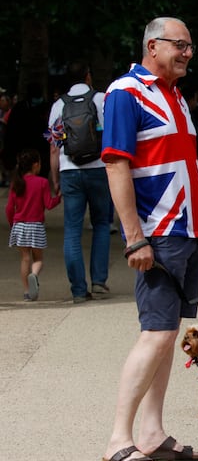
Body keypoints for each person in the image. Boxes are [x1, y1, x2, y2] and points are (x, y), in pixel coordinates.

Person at [100, 17, 198, 461]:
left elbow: (190, 167)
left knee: (168, 336)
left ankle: (152, 434)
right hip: (159, 233)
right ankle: (119, 440)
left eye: (191, 46)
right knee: (155, 334)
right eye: (181, 45)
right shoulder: (125, 92)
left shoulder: (176, 97)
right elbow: (116, 165)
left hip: (188, 231)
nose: (188, 53)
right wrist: (134, 237)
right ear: (152, 46)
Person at [47, 61, 113, 303]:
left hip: (69, 171)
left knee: (72, 231)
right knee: (102, 224)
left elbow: (54, 148)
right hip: (99, 169)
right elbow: (114, 134)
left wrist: (55, 179)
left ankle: (77, 289)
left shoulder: (58, 106)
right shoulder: (102, 99)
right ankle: (98, 281)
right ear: (88, 76)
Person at [5, 148, 61, 301]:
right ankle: (34, 275)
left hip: (19, 225)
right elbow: (49, 204)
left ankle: (27, 291)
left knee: (24, 258)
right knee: (38, 259)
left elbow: (9, 208)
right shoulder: (42, 182)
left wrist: (12, 224)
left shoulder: (16, 183)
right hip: (36, 226)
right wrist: (59, 197)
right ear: (35, 165)